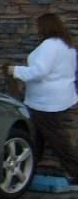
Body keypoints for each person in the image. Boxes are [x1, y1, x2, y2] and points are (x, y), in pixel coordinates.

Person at [5, 12, 78, 183]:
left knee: (57, 140)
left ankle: (75, 171)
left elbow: (39, 72)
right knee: (38, 138)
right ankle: (27, 169)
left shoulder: (50, 46)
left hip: (46, 101)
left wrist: (15, 70)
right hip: (60, 97)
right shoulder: (67, 46)